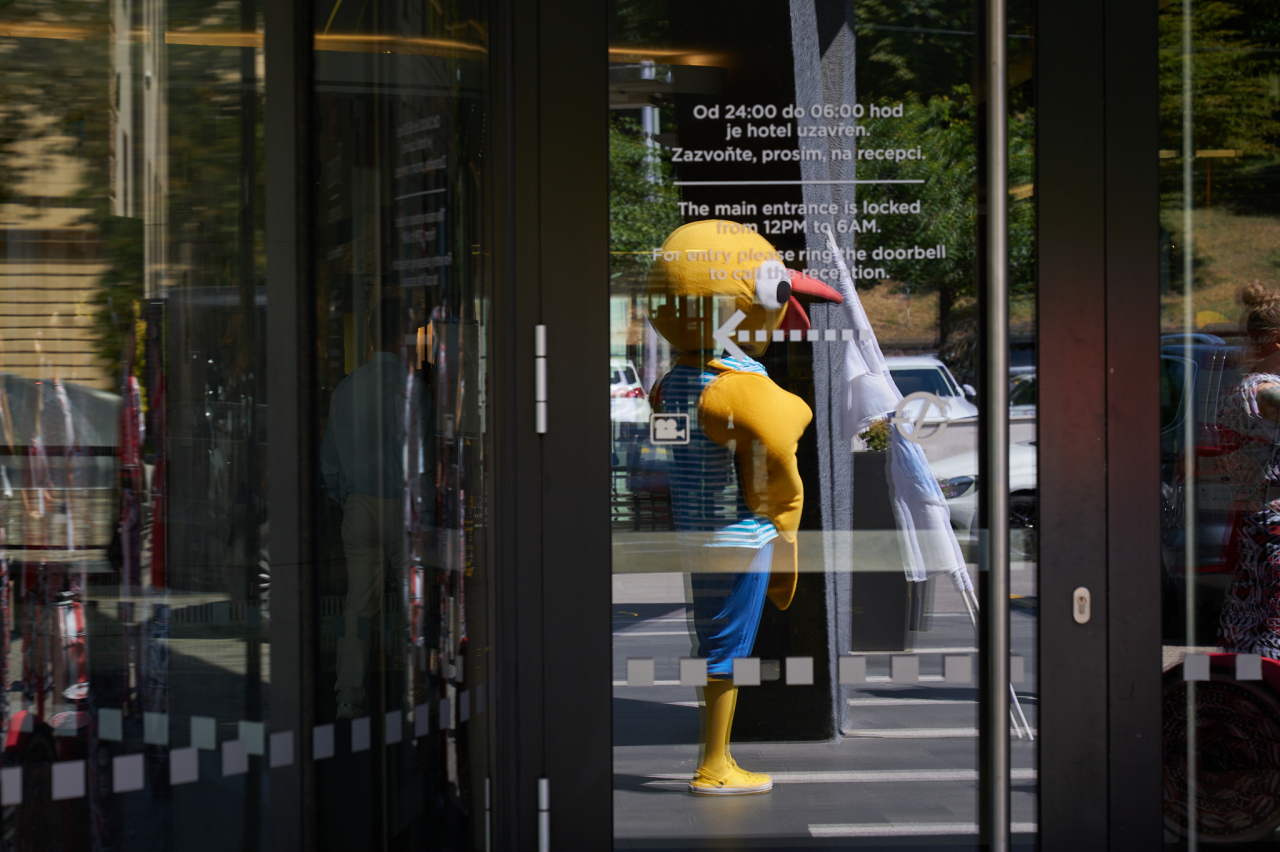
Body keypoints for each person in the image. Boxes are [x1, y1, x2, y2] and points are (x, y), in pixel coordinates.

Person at [320, 296, 409, 718]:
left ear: (371, 336)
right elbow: (422, 458)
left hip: (359, 505)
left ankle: (348, 696)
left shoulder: (346, 388)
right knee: (413, 604)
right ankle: (417, 690)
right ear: (402, 336)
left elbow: (329, 461)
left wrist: (347, 497)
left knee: (358, 606)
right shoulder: (411, 389)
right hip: (403, 508)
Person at [1219, 282, 1280, 655]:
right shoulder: (1266, 392)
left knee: (1252, 625)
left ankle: (1244, 686)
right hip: (1273, 528)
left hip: (1256, 525)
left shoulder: (1242, 389)